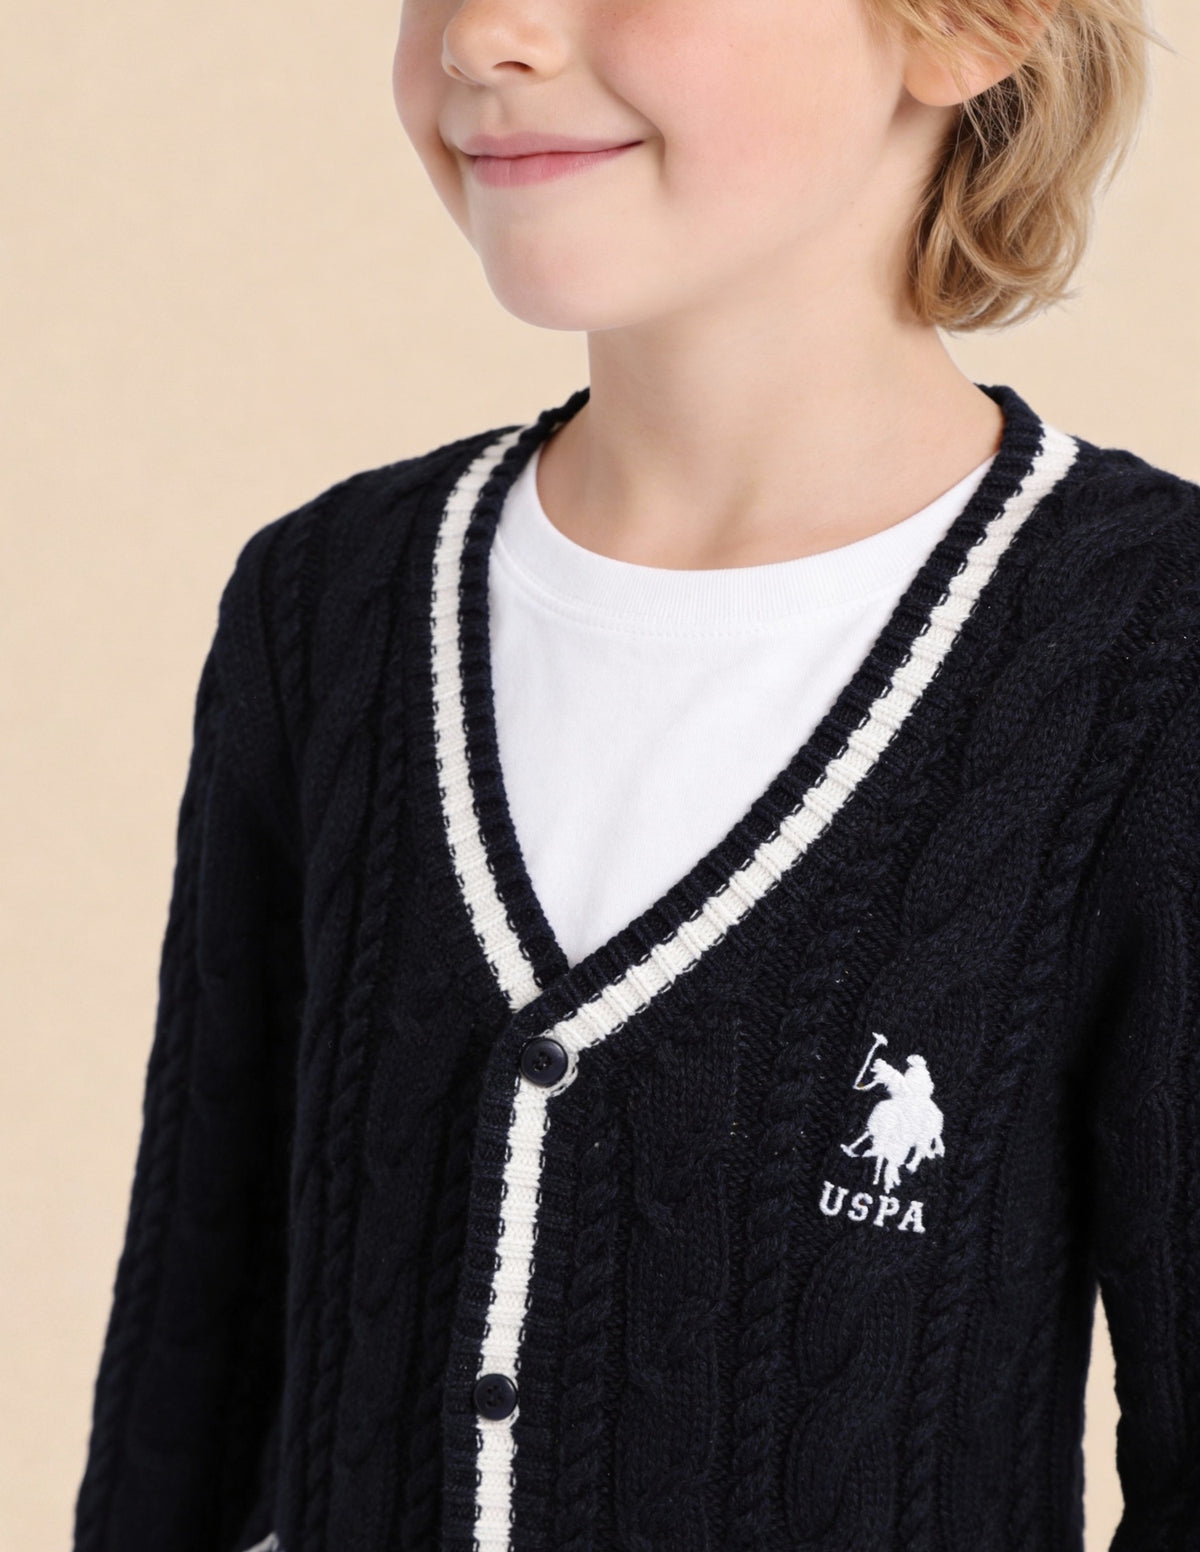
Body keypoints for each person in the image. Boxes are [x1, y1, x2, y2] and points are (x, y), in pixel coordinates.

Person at [73, 0, 1199, 1548]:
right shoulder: (325, 602)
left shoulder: (1146, 652)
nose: (486, 35)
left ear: (963, 29)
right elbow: (193, 1365)